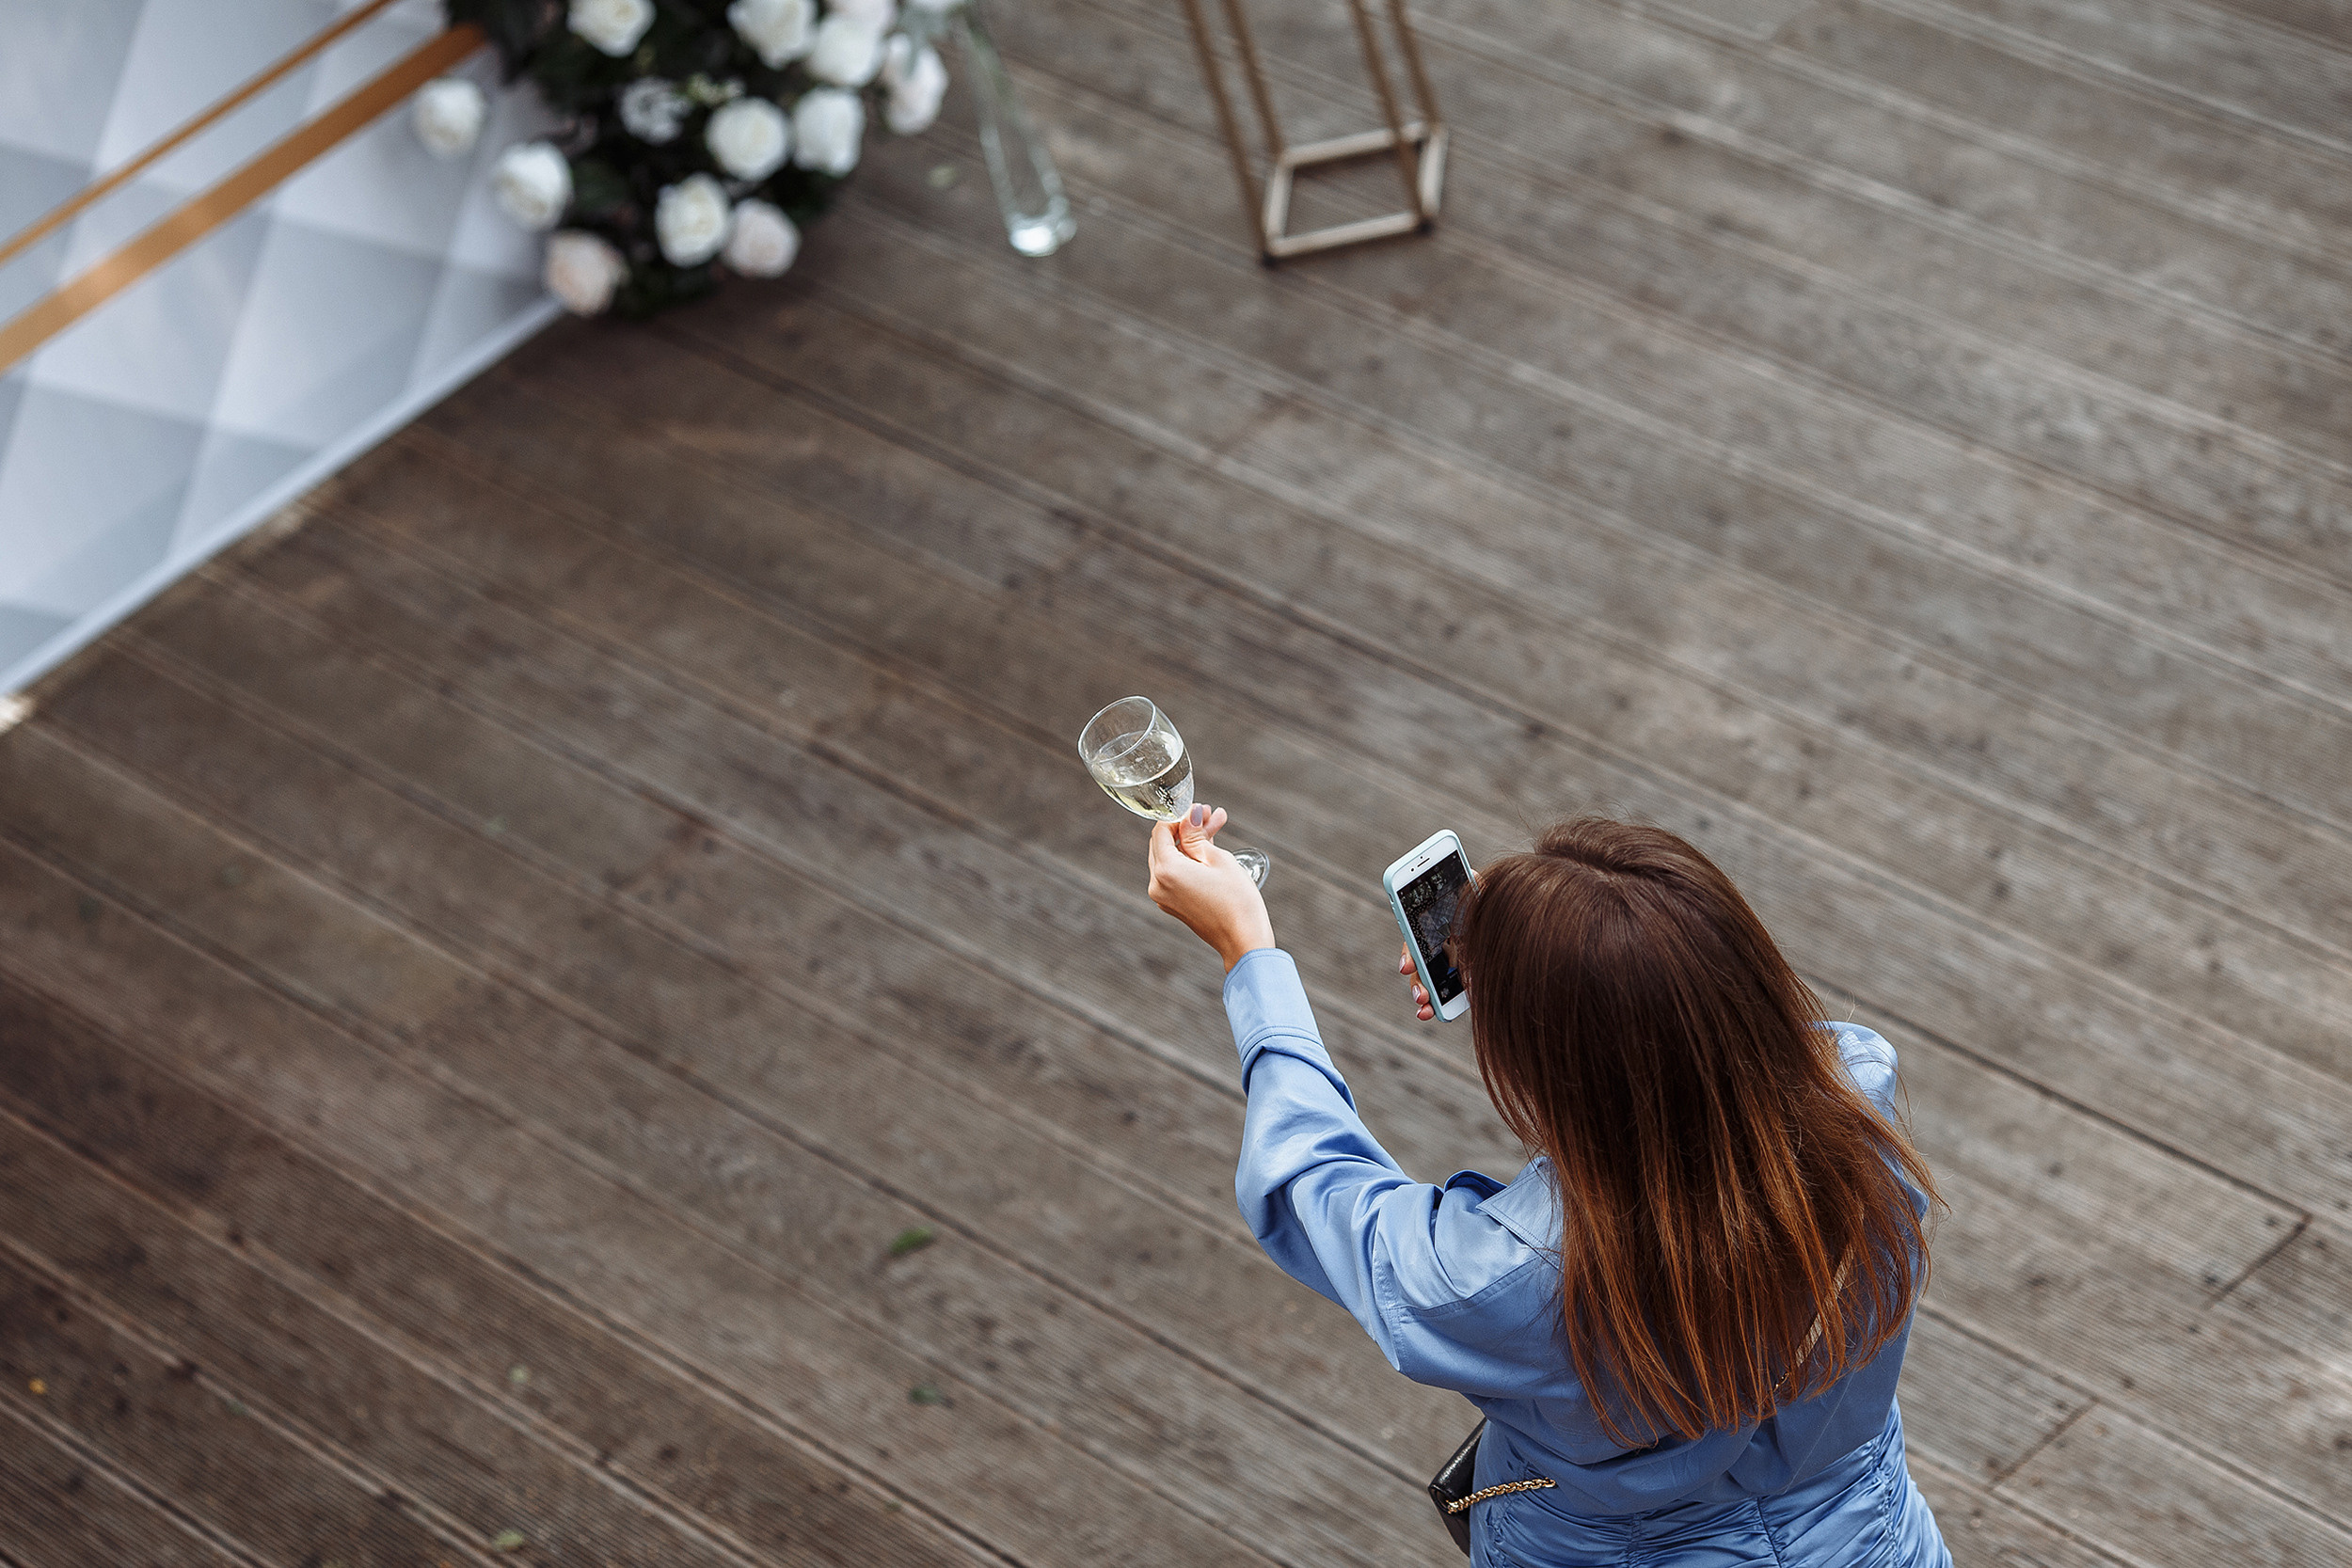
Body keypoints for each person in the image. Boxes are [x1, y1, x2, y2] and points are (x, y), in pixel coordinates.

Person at [1146, 806, 1949, 1567]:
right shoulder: (1860, 1102)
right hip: (1872, 1533)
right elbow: (1693, 1052)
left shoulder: (1509, 1282)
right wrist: (1533, 973)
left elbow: (1310, 1183)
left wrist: (1249, 954)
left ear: (1559, 1073)